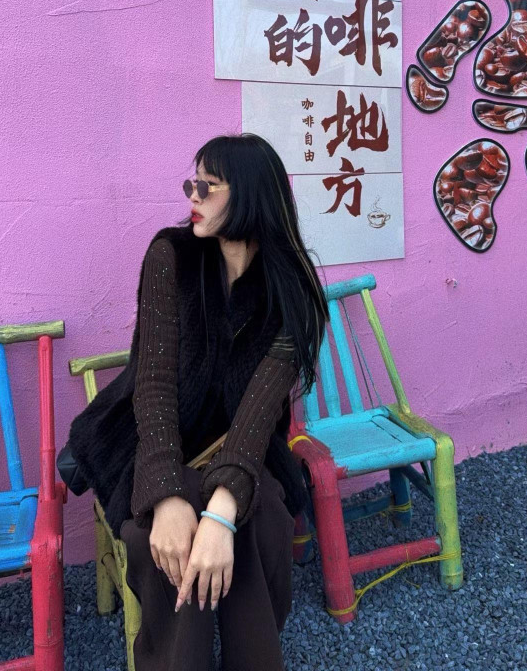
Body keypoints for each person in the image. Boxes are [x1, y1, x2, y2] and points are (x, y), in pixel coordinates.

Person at [116, 133, 328, 671]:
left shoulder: (293, 289)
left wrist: (221, 515)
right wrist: (167, 495)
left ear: (251, 194)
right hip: (161, 441)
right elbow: (153, 384)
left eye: (208, 186)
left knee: (264, 522)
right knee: (158, 536)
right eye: (192, 183)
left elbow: (259, 414)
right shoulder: (171, 256)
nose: (193, 195)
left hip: (244, 447)